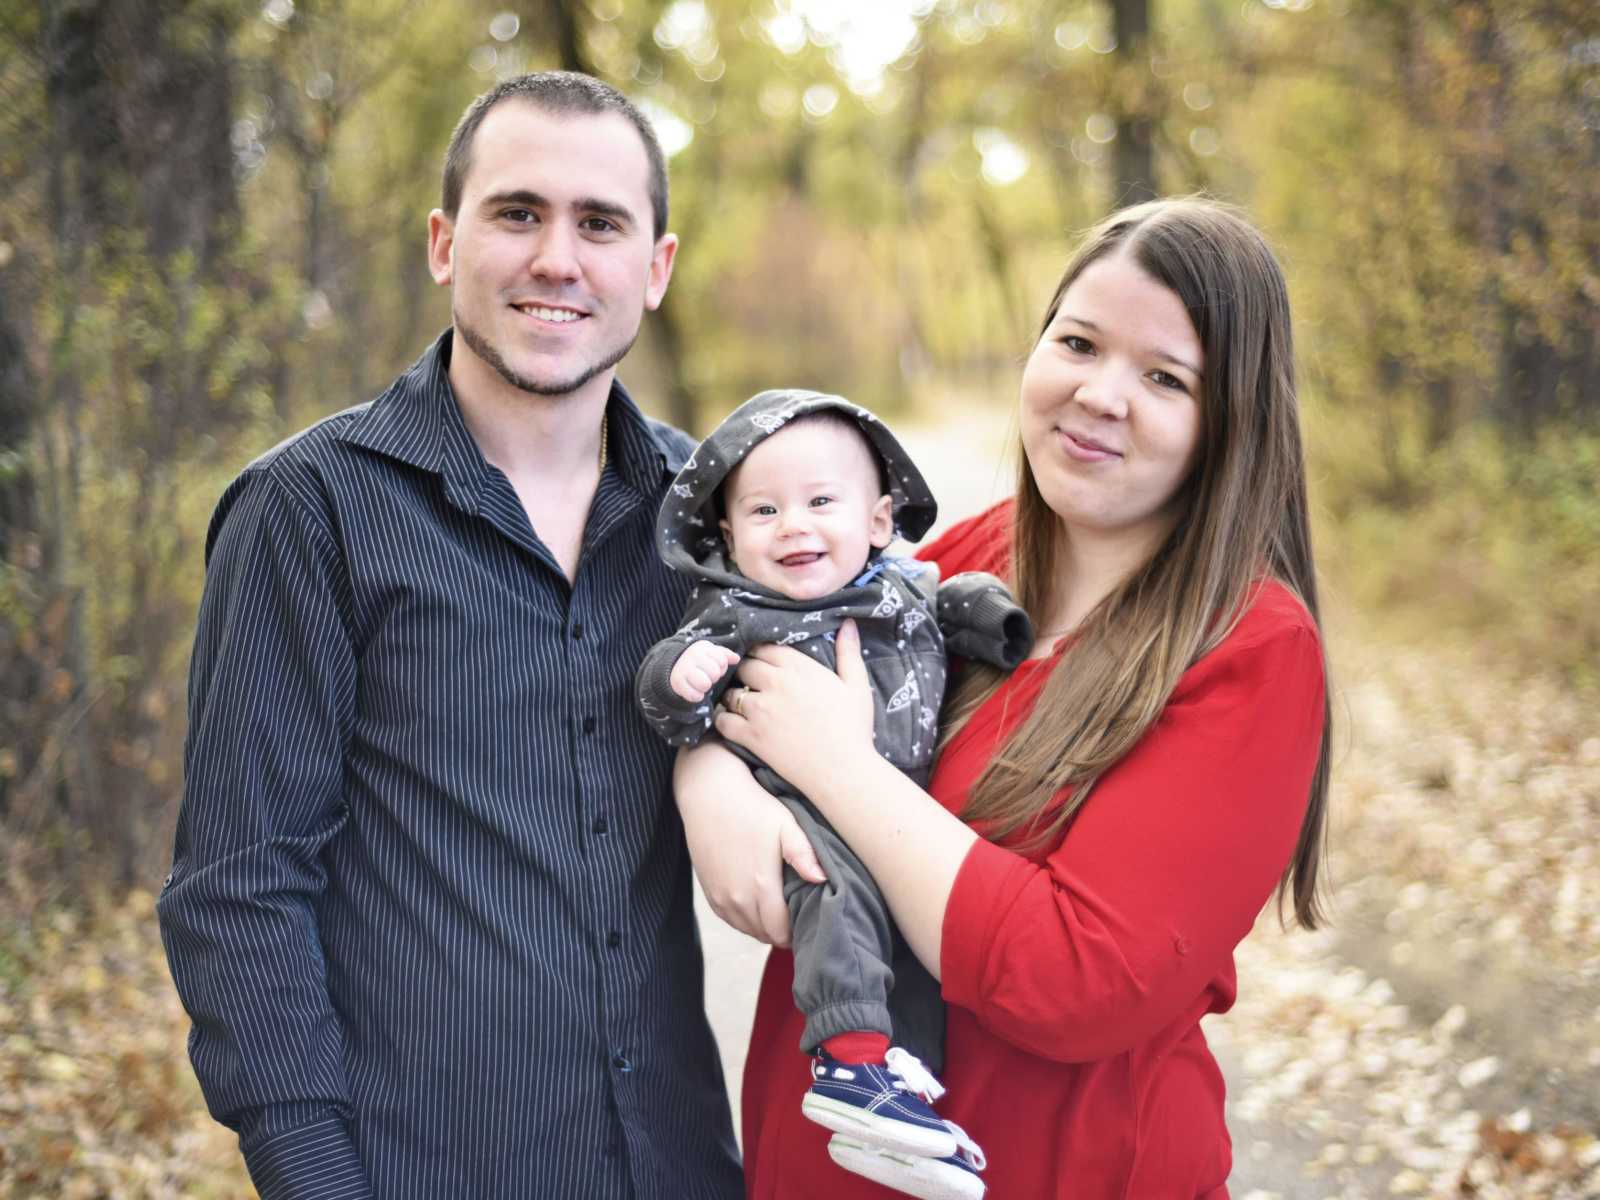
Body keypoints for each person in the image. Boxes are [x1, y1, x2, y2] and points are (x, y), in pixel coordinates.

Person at [157, 72, 743, 1199]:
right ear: (444, 243)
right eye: (517, 213)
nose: (557, 260)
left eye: (601, 223)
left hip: (676, 1162)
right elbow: (238, 886)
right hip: (418, 1167)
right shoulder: (309, 510)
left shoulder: (709, 516)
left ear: (656, 269)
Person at [677, 197, 1332, 1199]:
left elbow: (1077, 979)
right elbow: (759, 659)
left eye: (1164, 377)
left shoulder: (1251, 648)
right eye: (1078, 342)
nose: (1100, 394)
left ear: (1229, 421)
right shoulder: (965, 558)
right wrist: (708, 779)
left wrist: (838, 771)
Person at [634, 391, 1031, 1197]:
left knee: (919, 959)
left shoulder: (896, 586)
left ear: (879, 522)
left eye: (821, 502)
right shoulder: (739, 614)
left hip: (896, 822)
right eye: (764, 510)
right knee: (836, 895)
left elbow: (951, 602)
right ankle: (849, 1067)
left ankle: (893, 1096)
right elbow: (661, 685)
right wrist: (683, 679)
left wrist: (999, 623)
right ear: (728, 536)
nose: (794, 526)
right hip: (805, 820)